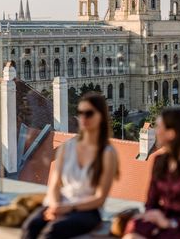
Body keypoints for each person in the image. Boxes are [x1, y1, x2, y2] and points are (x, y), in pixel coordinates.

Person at [22, 92, 119, 239]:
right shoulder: (68, 147)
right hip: (60, 203)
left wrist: (67, 208)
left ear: (101, 117)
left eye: (89, 113)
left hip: (87, 210)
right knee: (31, 226)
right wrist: (55, 206)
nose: (83, 118)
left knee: (52, 232)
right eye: (80, 113)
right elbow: (54, 185)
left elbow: (100, 198)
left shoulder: (107, 153)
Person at [123, 108, 180, 239]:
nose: (155, 131)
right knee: (130, 231)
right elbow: (151, 201)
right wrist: (153, 217)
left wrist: (171, 223)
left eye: (159, 127)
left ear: (171, 133)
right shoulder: (160, 161)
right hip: (163, 224)